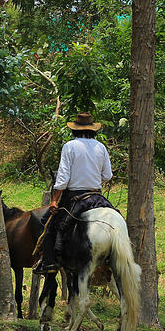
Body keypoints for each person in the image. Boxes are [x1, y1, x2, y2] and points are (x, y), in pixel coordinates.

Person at [33, 113, 113, 275]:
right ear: (93, 130)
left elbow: (62, 178)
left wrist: (55, 200)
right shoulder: (101, 147)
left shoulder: (69, 146)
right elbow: (108, 176)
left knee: (46, 221)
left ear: (75, 131)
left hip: (74, 196)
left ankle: (49, 262)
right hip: (97, 197)